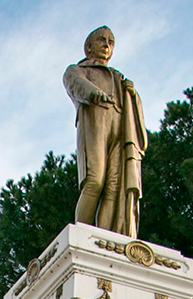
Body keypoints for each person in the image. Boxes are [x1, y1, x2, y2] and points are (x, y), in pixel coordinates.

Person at [63, 26, 147, 238]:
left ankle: (107, 239)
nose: (106, 45)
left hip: (121, 129)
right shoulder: (78, 70)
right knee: (95, 180)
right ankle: (81, 238)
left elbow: (134, 111)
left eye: (110, 42)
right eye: (101, 40)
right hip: (95, 124)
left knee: (114, 187)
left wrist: (132, 94)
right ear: (89, 47)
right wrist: (94, 93)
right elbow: (76, 84)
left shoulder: (119, 78)